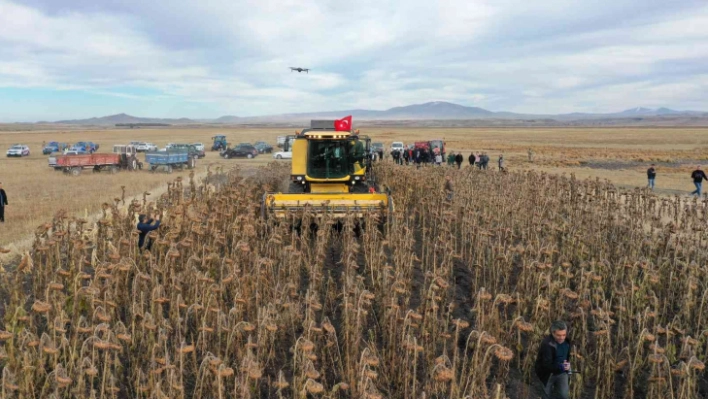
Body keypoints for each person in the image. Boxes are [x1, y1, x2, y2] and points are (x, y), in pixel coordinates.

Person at [535, 320, 572, 399]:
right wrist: (561, 367)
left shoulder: (567, 342)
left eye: (564, 335)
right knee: (546, 395)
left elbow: (567, 356)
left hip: (562, 372)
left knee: (564, 396)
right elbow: (546, 365)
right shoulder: (547, 344)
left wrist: (567, 366)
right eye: (559, 335)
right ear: (553, 333)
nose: (562, 338)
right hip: (548, 374)